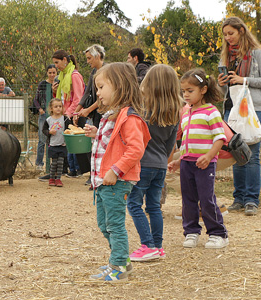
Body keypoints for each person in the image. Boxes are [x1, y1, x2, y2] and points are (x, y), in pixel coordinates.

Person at [85, 62, 150, 281]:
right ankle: (122, 260)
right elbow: (114, 144)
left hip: (115, 180)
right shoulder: (112, 116)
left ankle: (119, 267)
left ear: (119, 86)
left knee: (114, 224)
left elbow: (136, 149)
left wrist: (115, 170)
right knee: (104, 224)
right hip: (103, 181)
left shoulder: (129, 117)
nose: (98, 93)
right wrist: (97, 134)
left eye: (102, 87)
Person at [217, 16, 261, 216]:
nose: (227, 38)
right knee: (235, 153)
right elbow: (221, 89)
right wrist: (221, 82)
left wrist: (244, 80)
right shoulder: (226, 56)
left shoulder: (257, 54)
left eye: (230, 33)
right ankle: (239, 199)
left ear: (241, 31)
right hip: (231, 109)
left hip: (252, 109)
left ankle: (252, 200)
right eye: (225, 35)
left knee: (252, 155)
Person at [126, 64, 182, 261]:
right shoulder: (174, 114)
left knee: (133, 204)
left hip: (142, 165)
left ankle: (147, 245)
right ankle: (158, 246)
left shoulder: (140, 111)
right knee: (154, 207)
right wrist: (162, 160)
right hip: (159, 166)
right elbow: (170, 146)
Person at [169, 68, 228, 249]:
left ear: (203, 90)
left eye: (190, 91)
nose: (185, 95)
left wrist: (209, 156)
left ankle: (218, 234)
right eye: (183, 91)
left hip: (205, 164)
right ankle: (191, 232)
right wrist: (180, 160)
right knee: (188, 199)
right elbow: (186, 140)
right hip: (187, 163)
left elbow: (220, 138)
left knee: (206, 198)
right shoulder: (186, 113)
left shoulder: (211, 112)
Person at [74, 44, 105, 186]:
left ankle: (100, 174)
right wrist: (78, 109)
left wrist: (87, 110)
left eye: (89, 58)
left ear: (98, 56)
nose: (88, 61)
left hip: (104, 112)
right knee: (94, 143)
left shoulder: (107, 71)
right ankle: (94, 174)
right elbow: (87, 92)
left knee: (101, 142)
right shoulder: (94, 72)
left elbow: (103, 97)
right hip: (96, 113)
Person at [52, 49, 85, 177]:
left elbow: (78, 98)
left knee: (77, 145)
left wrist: (70, 114)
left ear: (65, 60)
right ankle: (72, 169)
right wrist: (55, 92)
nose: (56, 66)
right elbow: (63, 97)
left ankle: (80, 170)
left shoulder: (74, 75)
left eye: (57, 62)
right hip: (66, 114)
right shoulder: (63, 76)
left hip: (74, 115)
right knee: (69, 144)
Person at [42, 98, 73, 187]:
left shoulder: (65, 119)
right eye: (56, 107)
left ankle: (58, 179)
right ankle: (52, 178)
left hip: (62, 144)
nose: (58, 108)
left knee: (60, 163)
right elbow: (44, 130)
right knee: (54, 162)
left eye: (60, 106)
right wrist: (49, 132)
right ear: (51, 108)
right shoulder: (48, 120)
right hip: (52, 145)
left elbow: (69, 128)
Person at [32, 65, 58, 168]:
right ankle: (39, 163)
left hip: (55, 116)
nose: (52, 75)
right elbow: (36, 99)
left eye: (54, 73)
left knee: (56, 139)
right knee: (42, 139)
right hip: (43, 116)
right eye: (50, 73)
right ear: (47, 73)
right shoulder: (42, 84)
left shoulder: (58, 83)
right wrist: (40, 109)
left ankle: (54, 164)